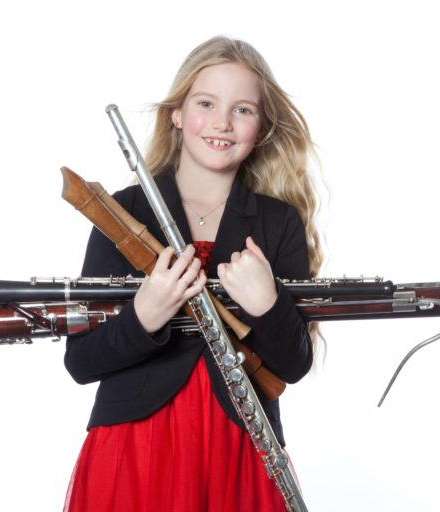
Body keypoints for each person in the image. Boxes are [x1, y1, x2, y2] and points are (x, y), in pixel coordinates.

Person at [63, 35, 323, 511]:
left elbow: (294, 364)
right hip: (134, 449)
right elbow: (80, 363)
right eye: (206, 103)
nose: (223, 122)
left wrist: (269, 306)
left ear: (262, 126)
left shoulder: (277, 221)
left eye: (243, 109)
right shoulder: (121, 211)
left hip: (243, 446)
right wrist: (144, 315)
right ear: (177, 114)